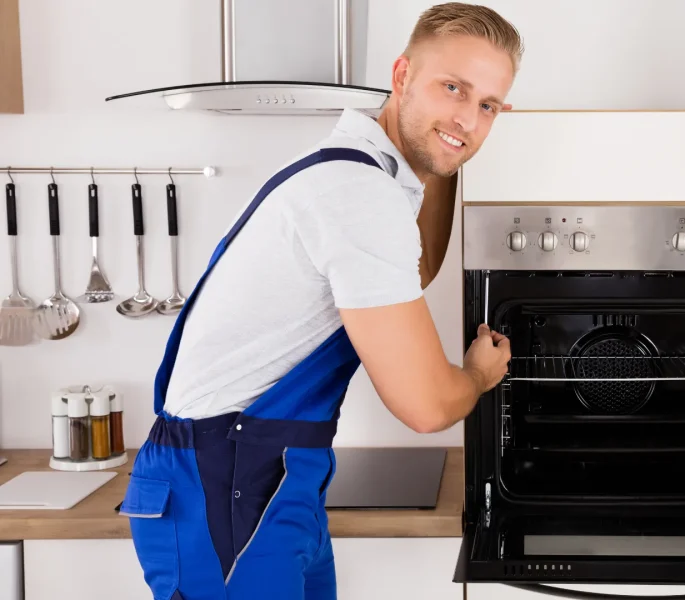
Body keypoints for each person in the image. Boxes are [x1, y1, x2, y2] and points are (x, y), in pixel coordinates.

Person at [118, 4, 523, 599]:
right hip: (223, 483)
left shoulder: (358, 176)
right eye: (453, 88)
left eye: (488, 105)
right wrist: (478, 375)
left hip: (274, 479)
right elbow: (427, 407)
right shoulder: (358, 194)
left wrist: (442, 150)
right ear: (402, 76)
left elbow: (411, 268)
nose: (468, 117)